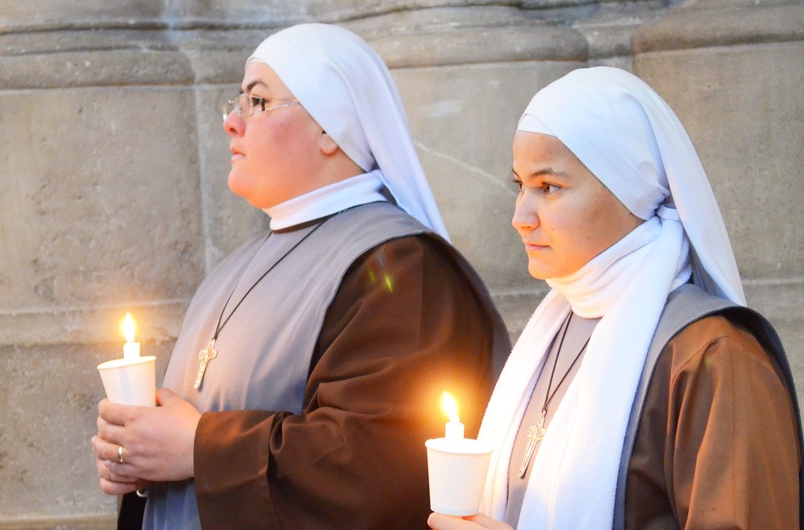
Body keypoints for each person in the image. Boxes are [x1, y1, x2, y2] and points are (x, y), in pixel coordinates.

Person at [91, 23, 510, 529]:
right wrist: (139, 454)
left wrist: (199, 449)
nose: (232, 123)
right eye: (237, 102)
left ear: (331, 128)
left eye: (258, 102)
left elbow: (373, 466)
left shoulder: (400, 269)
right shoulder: (236, 267)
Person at [427, 67, 804, 529]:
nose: (520, 217)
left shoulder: (714, 357)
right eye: (520, 186)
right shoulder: (557, 328)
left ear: (631, 188)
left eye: (548, 187)